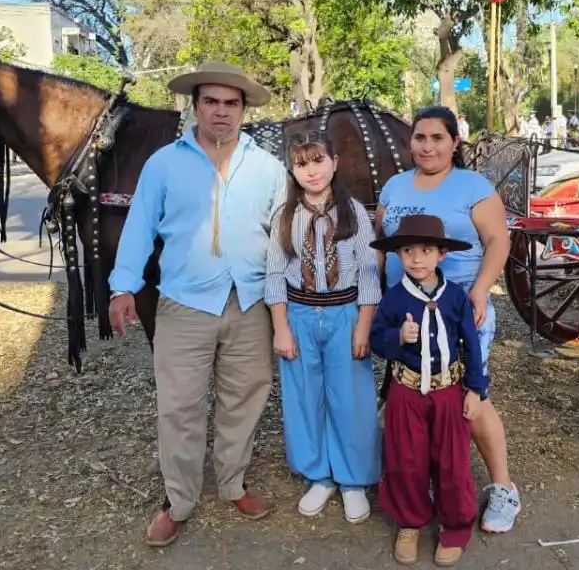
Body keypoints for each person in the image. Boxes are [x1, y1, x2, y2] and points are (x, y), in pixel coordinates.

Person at [107, 61, 287, 548]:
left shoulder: (269, 169)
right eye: (212, 101)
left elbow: (283, 239)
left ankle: (232, 483)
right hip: (185, 303)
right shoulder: (165, 163)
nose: (222, 112)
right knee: (179, 405)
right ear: (196, 105)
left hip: (249, 303)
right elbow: (140, 226)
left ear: (244, 110)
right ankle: (178, 500)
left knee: (244, 398)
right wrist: (123, 287)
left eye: (232, 103)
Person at [376, 106, 520, 535]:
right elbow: (383, 246)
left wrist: (479, 290)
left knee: (469, 398)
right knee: (420, 401)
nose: (428, 146)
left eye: (438, 138)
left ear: (455, 142)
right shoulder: (395, 186)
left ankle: (503, 487)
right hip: (404, 312)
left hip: (456, 309)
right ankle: (431, 483)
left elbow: (498, 240)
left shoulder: (472, 186)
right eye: (420, 137)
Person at [264, 131, 381, 524]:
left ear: (334, 161)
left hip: (344, 313)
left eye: (318, 161)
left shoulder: (354, 213)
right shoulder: (285, 216)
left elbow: (368, 274)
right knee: (304, 396)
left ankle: (352, 479)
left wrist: (363, 328)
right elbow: (275, 274)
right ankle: (319, 473)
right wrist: (281, 328)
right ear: (292, 170)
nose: (311, 171)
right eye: (301, 164)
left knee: (350, 398)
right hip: (299, 315)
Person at [370, 214, 486, 567]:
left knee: (451, 461)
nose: (416, 258)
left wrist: (475, 389)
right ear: (398, 256)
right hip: (406, 393)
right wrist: (396, 338)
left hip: (448, 392)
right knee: (407, 460)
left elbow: (471, 344)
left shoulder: (455, 297)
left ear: (441, 254)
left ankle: (454, 526)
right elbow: (376, 339)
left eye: (426, 250)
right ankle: (410, 521)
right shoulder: (393, 300)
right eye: (407, 250)